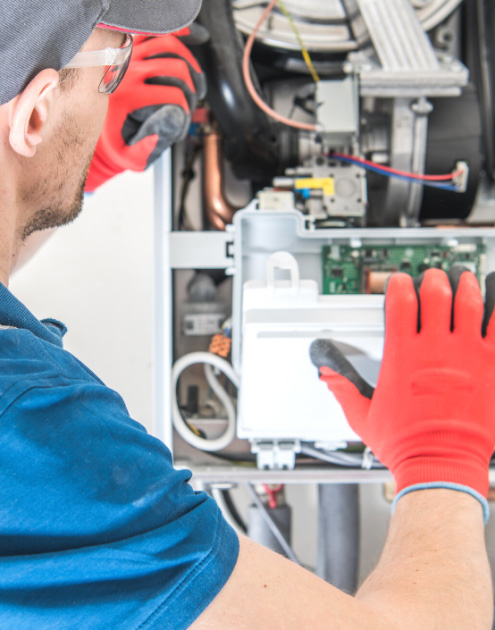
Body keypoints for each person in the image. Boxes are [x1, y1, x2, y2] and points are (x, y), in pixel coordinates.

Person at [0, 2, 493, 629]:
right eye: (113, 64)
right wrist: (443, 457)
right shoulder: (39, 448)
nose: (119, 81)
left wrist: (68, 167)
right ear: (36, 112)